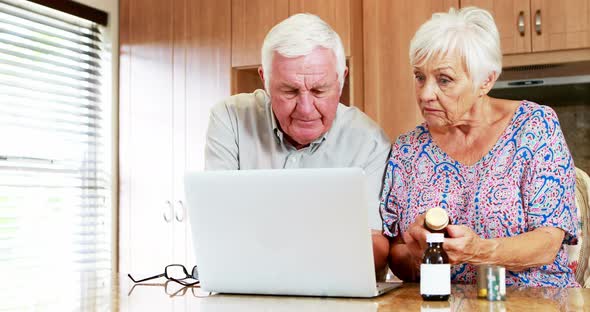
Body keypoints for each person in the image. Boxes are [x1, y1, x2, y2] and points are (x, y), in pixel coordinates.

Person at [378, 7, 579, 287]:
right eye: (419, 76)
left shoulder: (534, 127)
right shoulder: (408, 150)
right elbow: (398, 256)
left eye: (444, 80)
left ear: (485, 80)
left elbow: (548, 242)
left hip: (534, 299)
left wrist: (479, 251)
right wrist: (414, 252)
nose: (425, 94)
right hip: (442, 303)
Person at [204, 13, 392, 276]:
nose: (305, 109)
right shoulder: (230, 119)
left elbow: (377, 248)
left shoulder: (369, 142)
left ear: (341, 79)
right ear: (265, 81)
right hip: (248, 284)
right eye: (290, 91)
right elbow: (216, 225)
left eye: (319, 91)